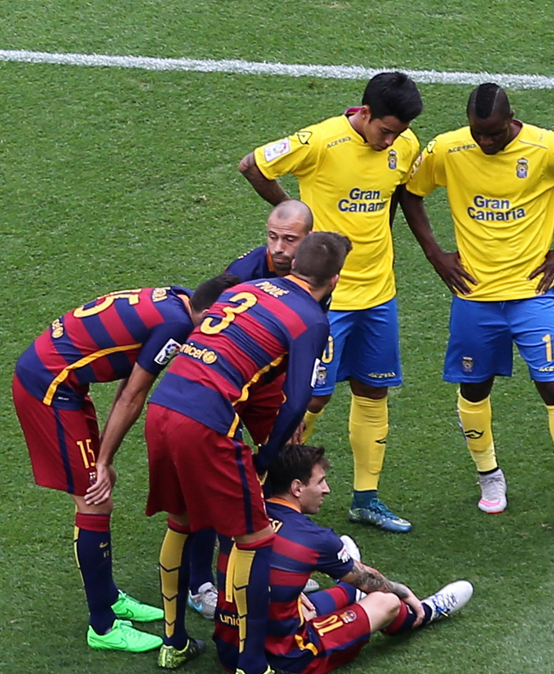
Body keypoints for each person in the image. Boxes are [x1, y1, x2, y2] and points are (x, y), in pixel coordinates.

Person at [401, 83, 554, 526]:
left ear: (511, 119)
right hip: (475, 296)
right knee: (474, 388)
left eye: (495, 133)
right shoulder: (448, 149)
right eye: (479, 133)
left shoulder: (547, 147)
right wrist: (436, 255)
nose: (486, 142)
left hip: (535, 293)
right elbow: (410, 192)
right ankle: (489, 477)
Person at [144, 232, 351, 672]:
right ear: (334, 279)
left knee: (180, 523)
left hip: (163, 407)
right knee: (254, 538)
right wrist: (268, 453)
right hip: (206, 422)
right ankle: (252, 664)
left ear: (295, 262)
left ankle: (173, 641)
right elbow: (297, 401)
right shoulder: (311, 319)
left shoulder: (245, 288)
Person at [238, 72, 424, 533]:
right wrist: (303, 224)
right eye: (385, 131)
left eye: (398, 133)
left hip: (379, 291)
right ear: (363, 113)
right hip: (326, 297)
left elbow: (395, 193)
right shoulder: (320, 140)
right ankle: (276, 491)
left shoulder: (404, 144)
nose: (391, 141)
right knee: (312, 396)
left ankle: (366, 499)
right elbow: (252, 166)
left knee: (373, 388)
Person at [12, 274, 238, 651]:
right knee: (95, 498)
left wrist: (103, 456)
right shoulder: (178, 326)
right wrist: (103, 460)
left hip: (63, 381)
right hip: (48, 389)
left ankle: (111, 597)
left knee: (100, 490)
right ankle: (102, 626)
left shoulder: (177, 300)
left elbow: (132, 377)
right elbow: (133, 396)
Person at [213, 444, 473, 673]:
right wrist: (402, 591)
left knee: (304, 598)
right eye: (321, 482)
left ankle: (346, 573)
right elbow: (370, 581)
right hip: (287, 658)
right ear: (297, 488)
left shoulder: (243, 513)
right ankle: (426, 611)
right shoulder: (313, 538)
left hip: (230, 648)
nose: (326, 490)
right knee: (386, 600)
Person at [186, 199, 318, 622]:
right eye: (272, 237)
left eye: (289, 240)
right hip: (224, 389)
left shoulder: (314, 277)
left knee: (268, 470)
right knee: (216, 483)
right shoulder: (243, 274)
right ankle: (200, 583)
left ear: (308, 241)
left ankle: (267, 560)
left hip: (265, 386)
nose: (278, 248)